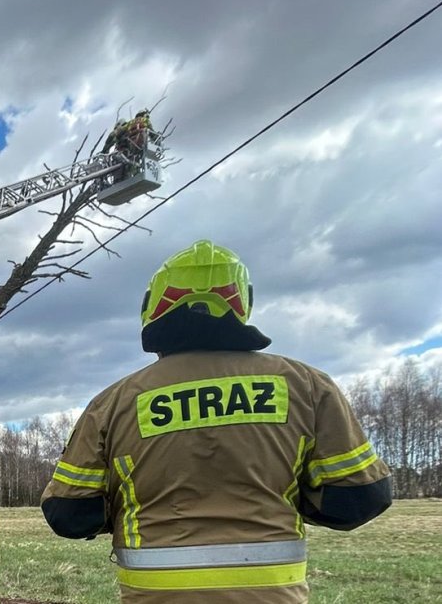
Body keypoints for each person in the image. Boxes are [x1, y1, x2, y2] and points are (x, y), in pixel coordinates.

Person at [40, 240, 392, 603]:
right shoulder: (307, 386)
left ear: (154, 307)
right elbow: (359, 500)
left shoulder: (113, 403)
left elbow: (69, 514)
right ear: (241, 302)